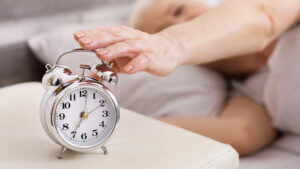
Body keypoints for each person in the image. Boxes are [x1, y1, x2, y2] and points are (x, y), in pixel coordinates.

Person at [73, 0, 300, 156]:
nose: (179, 24)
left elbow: (262, 16)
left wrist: (170, 42)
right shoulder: (245, 93)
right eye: (162, 30)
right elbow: (243, 132)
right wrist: (97, 123)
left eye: (178, 9)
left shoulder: (270, 11)